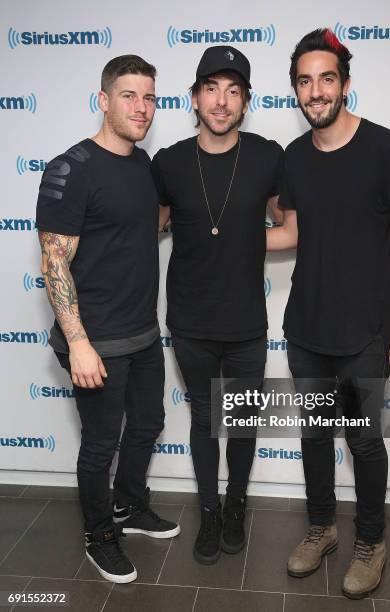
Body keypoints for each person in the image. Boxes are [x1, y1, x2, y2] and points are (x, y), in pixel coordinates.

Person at [267, 29, 390, 599]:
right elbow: (290, 232)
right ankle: (320, 529)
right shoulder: (292, 159)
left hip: (364, 334)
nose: (316, 91)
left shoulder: (387, 149)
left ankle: (372, 541)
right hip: (305, 329)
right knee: (313, 435)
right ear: (296, 91)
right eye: (305, 81)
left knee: (362, 440)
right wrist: (225, 238)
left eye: (326, 78)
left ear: (345, 84)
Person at [36, 55, 180, 584]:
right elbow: (54, 264)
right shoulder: (71, 168)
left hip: (142, 332)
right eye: (128, 96)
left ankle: (129, 505)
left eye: (149, 97)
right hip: (94, 339)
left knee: (148, 424)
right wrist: (78, 343)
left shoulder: (142, 165)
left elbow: (139, 228)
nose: (141, 108)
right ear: (103, 100)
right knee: (101, 444)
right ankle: (100, 535)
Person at [151, 46, 283, 565]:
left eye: (233, 91)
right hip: (189, 320)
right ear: (195, 98)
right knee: (206, 419)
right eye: (211, 89)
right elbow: (152, 227)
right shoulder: (169, 162)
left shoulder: (268, 155)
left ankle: (237, 506)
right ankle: (208, 510)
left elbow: (289, 225)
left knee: (243, 419)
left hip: (247, 320)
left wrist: (243, 239)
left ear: (245, 102)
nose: (221, 101)